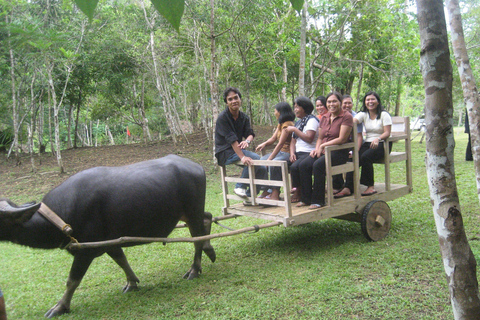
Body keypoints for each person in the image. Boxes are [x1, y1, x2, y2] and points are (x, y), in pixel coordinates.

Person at [295, 92, 353, 209]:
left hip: (339, 152)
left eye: (334, 101)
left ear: (340, 102)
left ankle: (318, 200)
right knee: (304, 164)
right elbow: (320, 138)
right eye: (329, 102)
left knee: (318, 165)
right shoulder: (324, 118)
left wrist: (323, 146)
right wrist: (317, 149)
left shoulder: (346, 117)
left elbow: (342, 139)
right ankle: (306, 198)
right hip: (323, 150)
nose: (332, 104)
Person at [335, 91, 392, 198]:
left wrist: (378, 138)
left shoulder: (384, 115)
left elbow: (387, 133)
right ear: (365, 102)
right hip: (369, 142)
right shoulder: (363, 114)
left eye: (372, 99)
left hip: (382, 143)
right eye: (368, 100)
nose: (370, 102)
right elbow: (353, 120)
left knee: (366, 157)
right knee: (354, 157)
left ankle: (370, 186)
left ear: (378, 102)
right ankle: (348, 187)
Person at [215, 87, 267, 198]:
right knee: (254, 158)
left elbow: (250, 133)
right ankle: (240, 186)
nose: (234, 101)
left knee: (262, 168)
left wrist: (247, 141)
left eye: (236, 98)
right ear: (227, 102)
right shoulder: (222, 118)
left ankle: (250, 197)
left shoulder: (244, 117)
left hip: (237, 150)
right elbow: (232, 140)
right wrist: (243, 157)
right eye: (230, 99)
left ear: (240, 99)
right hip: (225, 152)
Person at [256, 102, 296, 200]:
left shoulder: (288, 125)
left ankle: (275, 192)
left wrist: (270, 159)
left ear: (280, 112)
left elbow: (280, 144)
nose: (274, 113)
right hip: (280, 152)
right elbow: (273, 138)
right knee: (261, 161)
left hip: (287, 153)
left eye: (275, 111)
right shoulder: (280, 124)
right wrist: (264, 143)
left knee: (274, 163)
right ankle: (266, 189)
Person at [284, 97, 319, 203]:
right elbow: (293, 141)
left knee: (296, 166)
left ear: (304, 108)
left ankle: (302, 193)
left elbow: (309, 138)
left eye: (297, 107)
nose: (295, 110)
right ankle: (274, 191)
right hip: (298, 153)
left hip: (309, 152)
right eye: (294, 107)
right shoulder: (299, 122)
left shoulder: (312, 120)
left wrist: (294, 129)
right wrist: (292, 153)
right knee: (283, 164)